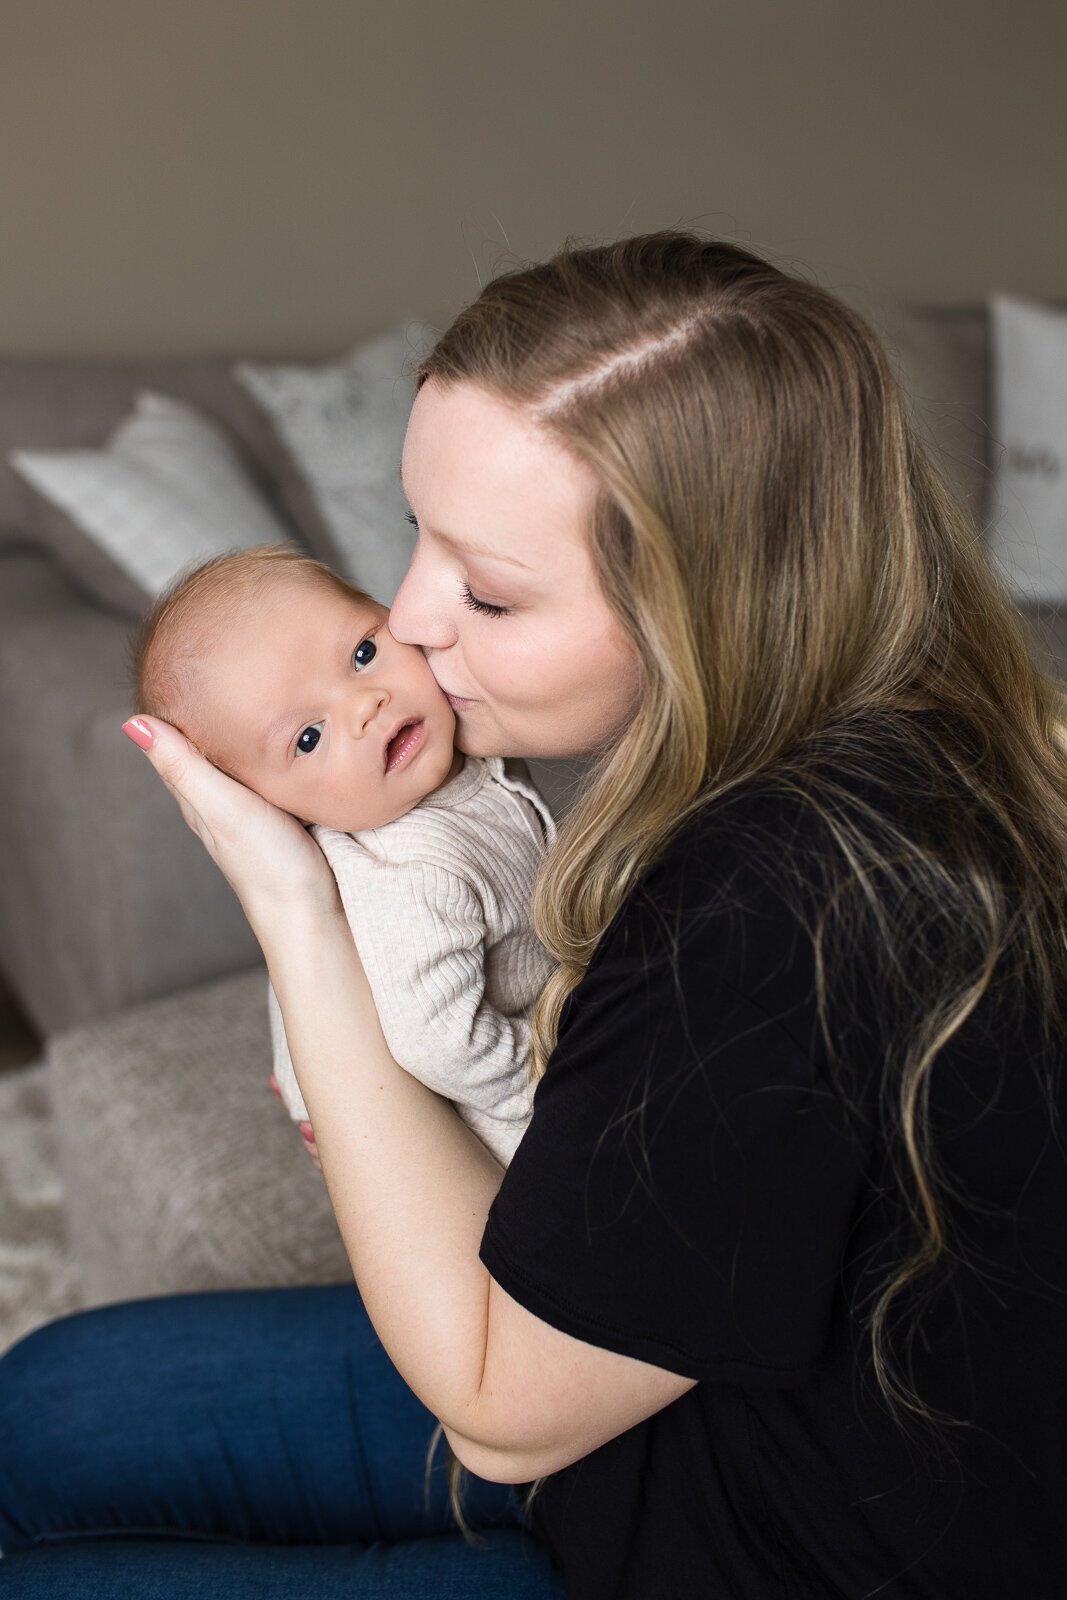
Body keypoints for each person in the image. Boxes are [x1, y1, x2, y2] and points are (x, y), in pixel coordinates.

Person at [2, 231, 1067, 1599]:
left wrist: (296, 908)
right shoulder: (874, 720)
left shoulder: (768, 907)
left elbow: (495, 1412)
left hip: (755, 1539)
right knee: (46, 1402)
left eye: (488, 589)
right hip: (670, 1381)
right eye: (416, 540)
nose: (409, 621)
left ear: (706, 599)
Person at [132, 545, 555, 1164]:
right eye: (308, 738)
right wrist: (539, 1082)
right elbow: (437, 1041)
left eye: (363, 653)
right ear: (275, 809)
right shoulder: (410, 870)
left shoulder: (456, 753)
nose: (364, 705)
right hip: (495, 1123)